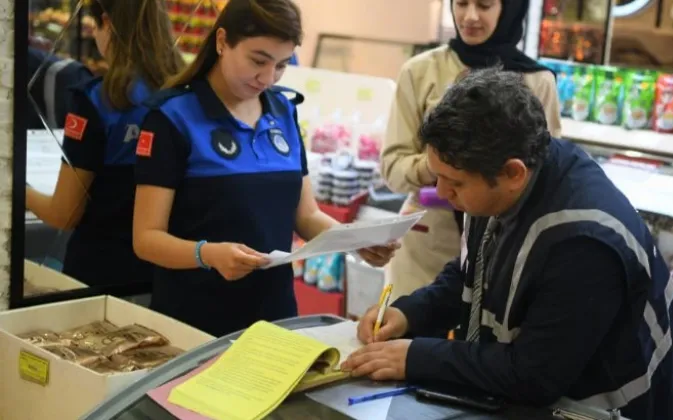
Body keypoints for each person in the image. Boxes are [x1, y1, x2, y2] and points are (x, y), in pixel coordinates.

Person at [343, 68, 673, 420]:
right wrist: (410, 314)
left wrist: (418, 357)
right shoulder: (502, 177)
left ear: (512, 173)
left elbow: (536, 374)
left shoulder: (585, 241)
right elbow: (472, 276)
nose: (441, 192)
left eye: (454, 183)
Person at [132, 0, 397, 337]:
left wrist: (358, 241)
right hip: (193, 321)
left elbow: (307, 216)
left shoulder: (283, 112)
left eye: (282, 65)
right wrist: (208, 254)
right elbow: (146, 239)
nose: (268, 77)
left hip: (275, 317)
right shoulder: (172, 118)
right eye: (258, 61)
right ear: (222, 41)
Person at [381, 0, 562, 300]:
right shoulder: (420, 71)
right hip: (426, 248)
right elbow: (392, 169)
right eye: (461, 3)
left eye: (485, 5)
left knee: (482, 342)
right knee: (411, 334)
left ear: (510, 9)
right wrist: (445, 166)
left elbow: (545, 175)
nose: (470, 16)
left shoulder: (537, 81)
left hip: (504, 248)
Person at [26, 0, 184, 287]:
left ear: (108, 23)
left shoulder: (99, 100)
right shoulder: (185, 93)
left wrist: (15, 190)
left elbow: (64, 213)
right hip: (170, 277)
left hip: (102, 273)